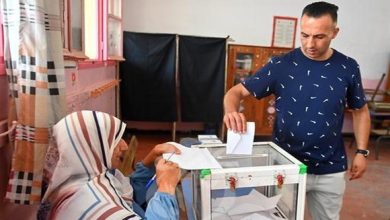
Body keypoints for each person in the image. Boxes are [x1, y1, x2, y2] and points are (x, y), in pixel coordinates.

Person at [223, 2, 370, 220]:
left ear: (334, 33)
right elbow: (234, 93)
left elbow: (360, 111)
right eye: (304, 35)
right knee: (279, 217)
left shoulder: (348, 66)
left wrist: (361, 151)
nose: (310, 43)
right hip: (285, 165)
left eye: (319, 36)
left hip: (330, 167)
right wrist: (231, 111)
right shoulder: (281, 65)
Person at [38, 110, 181, 220]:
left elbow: (131, 191)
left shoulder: (91, 176)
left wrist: (151, 158)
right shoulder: (90, 202)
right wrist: (166, 188)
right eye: (114, 140)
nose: (124, 146)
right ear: (90, 146)